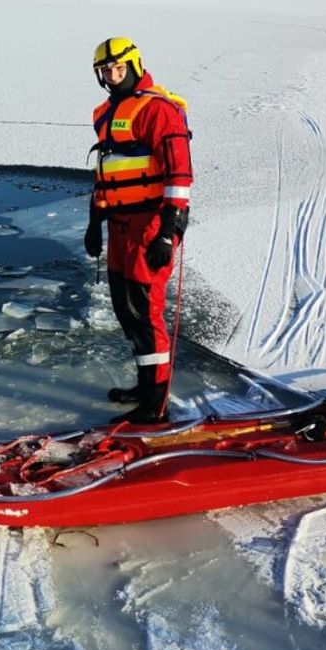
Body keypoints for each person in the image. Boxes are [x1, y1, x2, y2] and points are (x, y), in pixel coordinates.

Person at [85, 37, 193, 424]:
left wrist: (170, 229)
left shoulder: (159, 111)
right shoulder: (107, 113)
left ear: (133, 65)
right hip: (118, 225)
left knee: (145, 311)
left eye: (118, 69)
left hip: (150, 223)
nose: (112, 77)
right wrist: (94, 222)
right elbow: (107, 171)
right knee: (126, 309)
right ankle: (145, 385)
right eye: (105, 72)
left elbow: (179, 175)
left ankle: (155, 402)